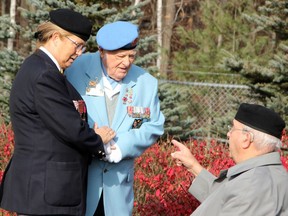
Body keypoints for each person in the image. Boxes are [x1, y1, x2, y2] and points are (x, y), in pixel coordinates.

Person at [0, 8, 116, 216]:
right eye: (77, 45)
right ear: (55, 37)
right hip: (45, 193)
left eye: (82, 47)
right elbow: (70, 128)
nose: (79, 53)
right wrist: (98, 139)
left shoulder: (44, 69)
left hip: (45, 191)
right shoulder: (45, 74)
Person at [65, 21, 165, 216]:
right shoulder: (75, 69)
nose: (126, 63)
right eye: (120, 56)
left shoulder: (146, 83)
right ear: (102, 52)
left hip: (118, 190)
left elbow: (154, 125)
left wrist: (122, 146)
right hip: (79, 183)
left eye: (131, 56)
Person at [171, 103, 288, 216]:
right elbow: (223, 199)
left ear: (246, 139)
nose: (228, 134)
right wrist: (193, 166)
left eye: (232, 128)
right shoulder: (273, 175)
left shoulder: (251, 185)